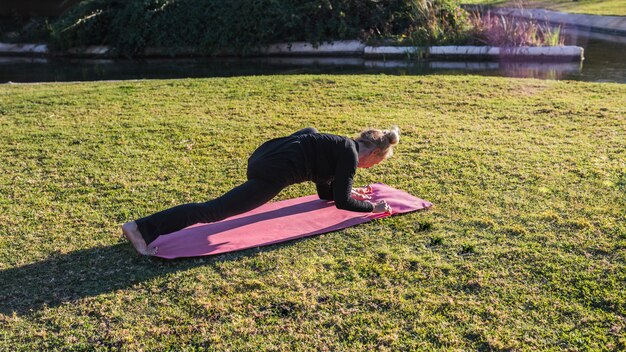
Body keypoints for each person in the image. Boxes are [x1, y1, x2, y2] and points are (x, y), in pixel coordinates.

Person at [122, 126, 400, 255]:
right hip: (273, 171)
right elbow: (341, 201)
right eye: (377, 162)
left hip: (265, 154)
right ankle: (140, 228)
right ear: (375, 152)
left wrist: (352, 194)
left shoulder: (339, 148)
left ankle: (142, 228)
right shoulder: (349, 157)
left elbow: (327, 195)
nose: (371, 168)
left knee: (311, 130)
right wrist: (371, 208)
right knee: (215, 211)